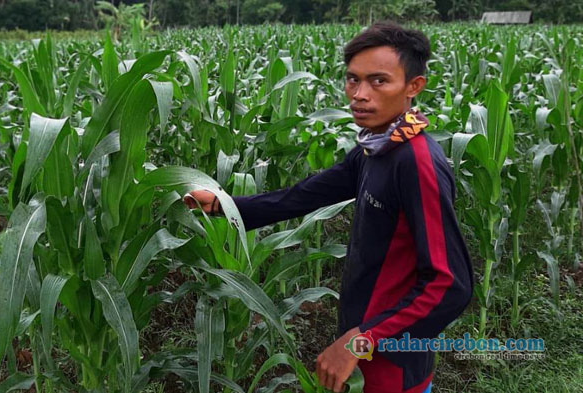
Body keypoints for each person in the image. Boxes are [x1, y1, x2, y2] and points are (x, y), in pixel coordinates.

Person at [183, 22, 474, 393]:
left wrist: (360, 341)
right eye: (353, 80)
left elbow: (449, 284)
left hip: (392, 368)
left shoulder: (416, 163)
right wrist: (225, 205)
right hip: (362, 355)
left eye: (378, 81)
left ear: (413, 87)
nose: (359, 94)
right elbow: (303, 196)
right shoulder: (377, 147)